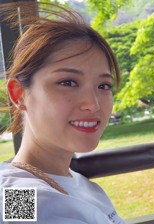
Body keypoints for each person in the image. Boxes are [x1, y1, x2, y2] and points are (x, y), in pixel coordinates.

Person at [0, 2, 125, 223]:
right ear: (19, 94)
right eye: (68, 82)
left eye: (103, 86)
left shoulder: (77, 182)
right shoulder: (20, 194)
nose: (93, 104)